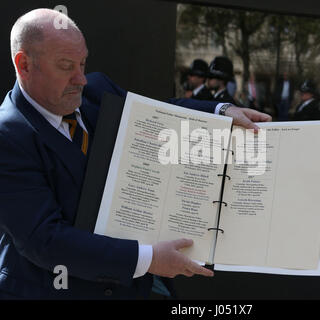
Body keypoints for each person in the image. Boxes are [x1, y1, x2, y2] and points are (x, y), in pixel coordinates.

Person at [0, 8, 272, 299]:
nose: (81, 79)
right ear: (24, 64)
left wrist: (222, 112)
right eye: (66, 66)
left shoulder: (96, 91)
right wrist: (148, 259)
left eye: (82, 63)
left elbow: (159, 114)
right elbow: (45, 241)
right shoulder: (8, 136)